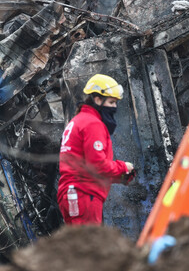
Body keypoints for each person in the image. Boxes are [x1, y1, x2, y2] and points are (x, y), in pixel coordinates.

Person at [58, 74, 135, 225]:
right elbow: (97, 165)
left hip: (73, 194)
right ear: (97, 99)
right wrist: (123, 167)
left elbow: (88, 168)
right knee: (90, 247)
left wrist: (122, 176)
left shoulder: (78, 120)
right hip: (84, 195)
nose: (115, 107)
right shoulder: (92, 123)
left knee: (80, 246)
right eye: (112, 102)